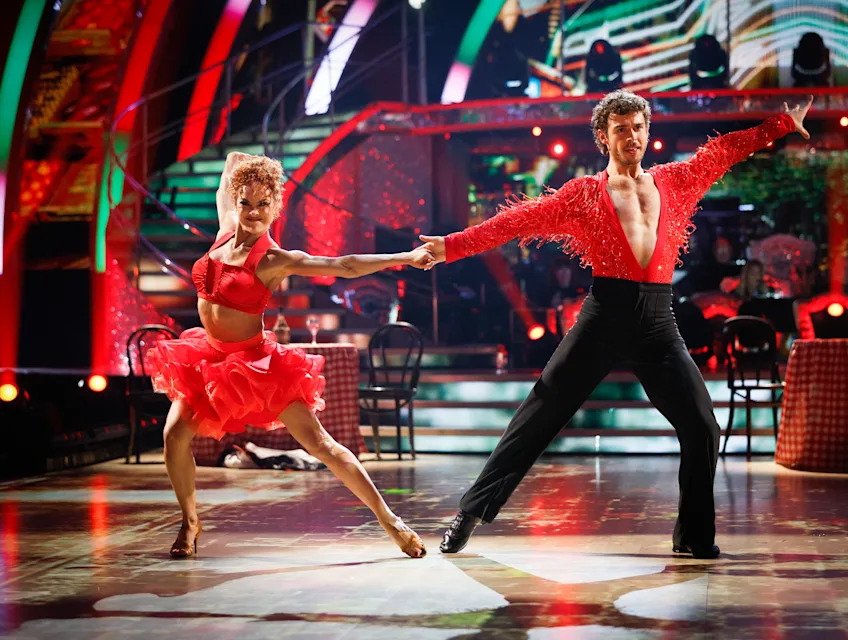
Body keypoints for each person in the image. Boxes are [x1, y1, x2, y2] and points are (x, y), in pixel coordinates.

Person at [419, 90, 813, 559]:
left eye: (639, 127)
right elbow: (516, 222)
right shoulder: (584, 194)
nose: (632, 136)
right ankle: (471, 512)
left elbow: (723, 150)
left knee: (703, 426)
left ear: (648, 131)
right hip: (605, 315)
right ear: (603, 137)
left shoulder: (677, 180)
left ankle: (693, 537)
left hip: (658, 319)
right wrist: (451, 247)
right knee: (539, 415)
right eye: (621, 128)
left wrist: (780, 126)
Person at [151, 153, 433, 559]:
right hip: (207, 359)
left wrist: (403, 258)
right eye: (245, 203)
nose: (252, 213)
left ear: (275, 206)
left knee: (320, 444)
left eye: (263, 204)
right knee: (174, 436)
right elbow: (230, 164)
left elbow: (345, 265)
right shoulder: (225, 228)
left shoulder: (274, 259)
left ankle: (391, 520)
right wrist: (254, 169)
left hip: (256, 366)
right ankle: (190, 521)